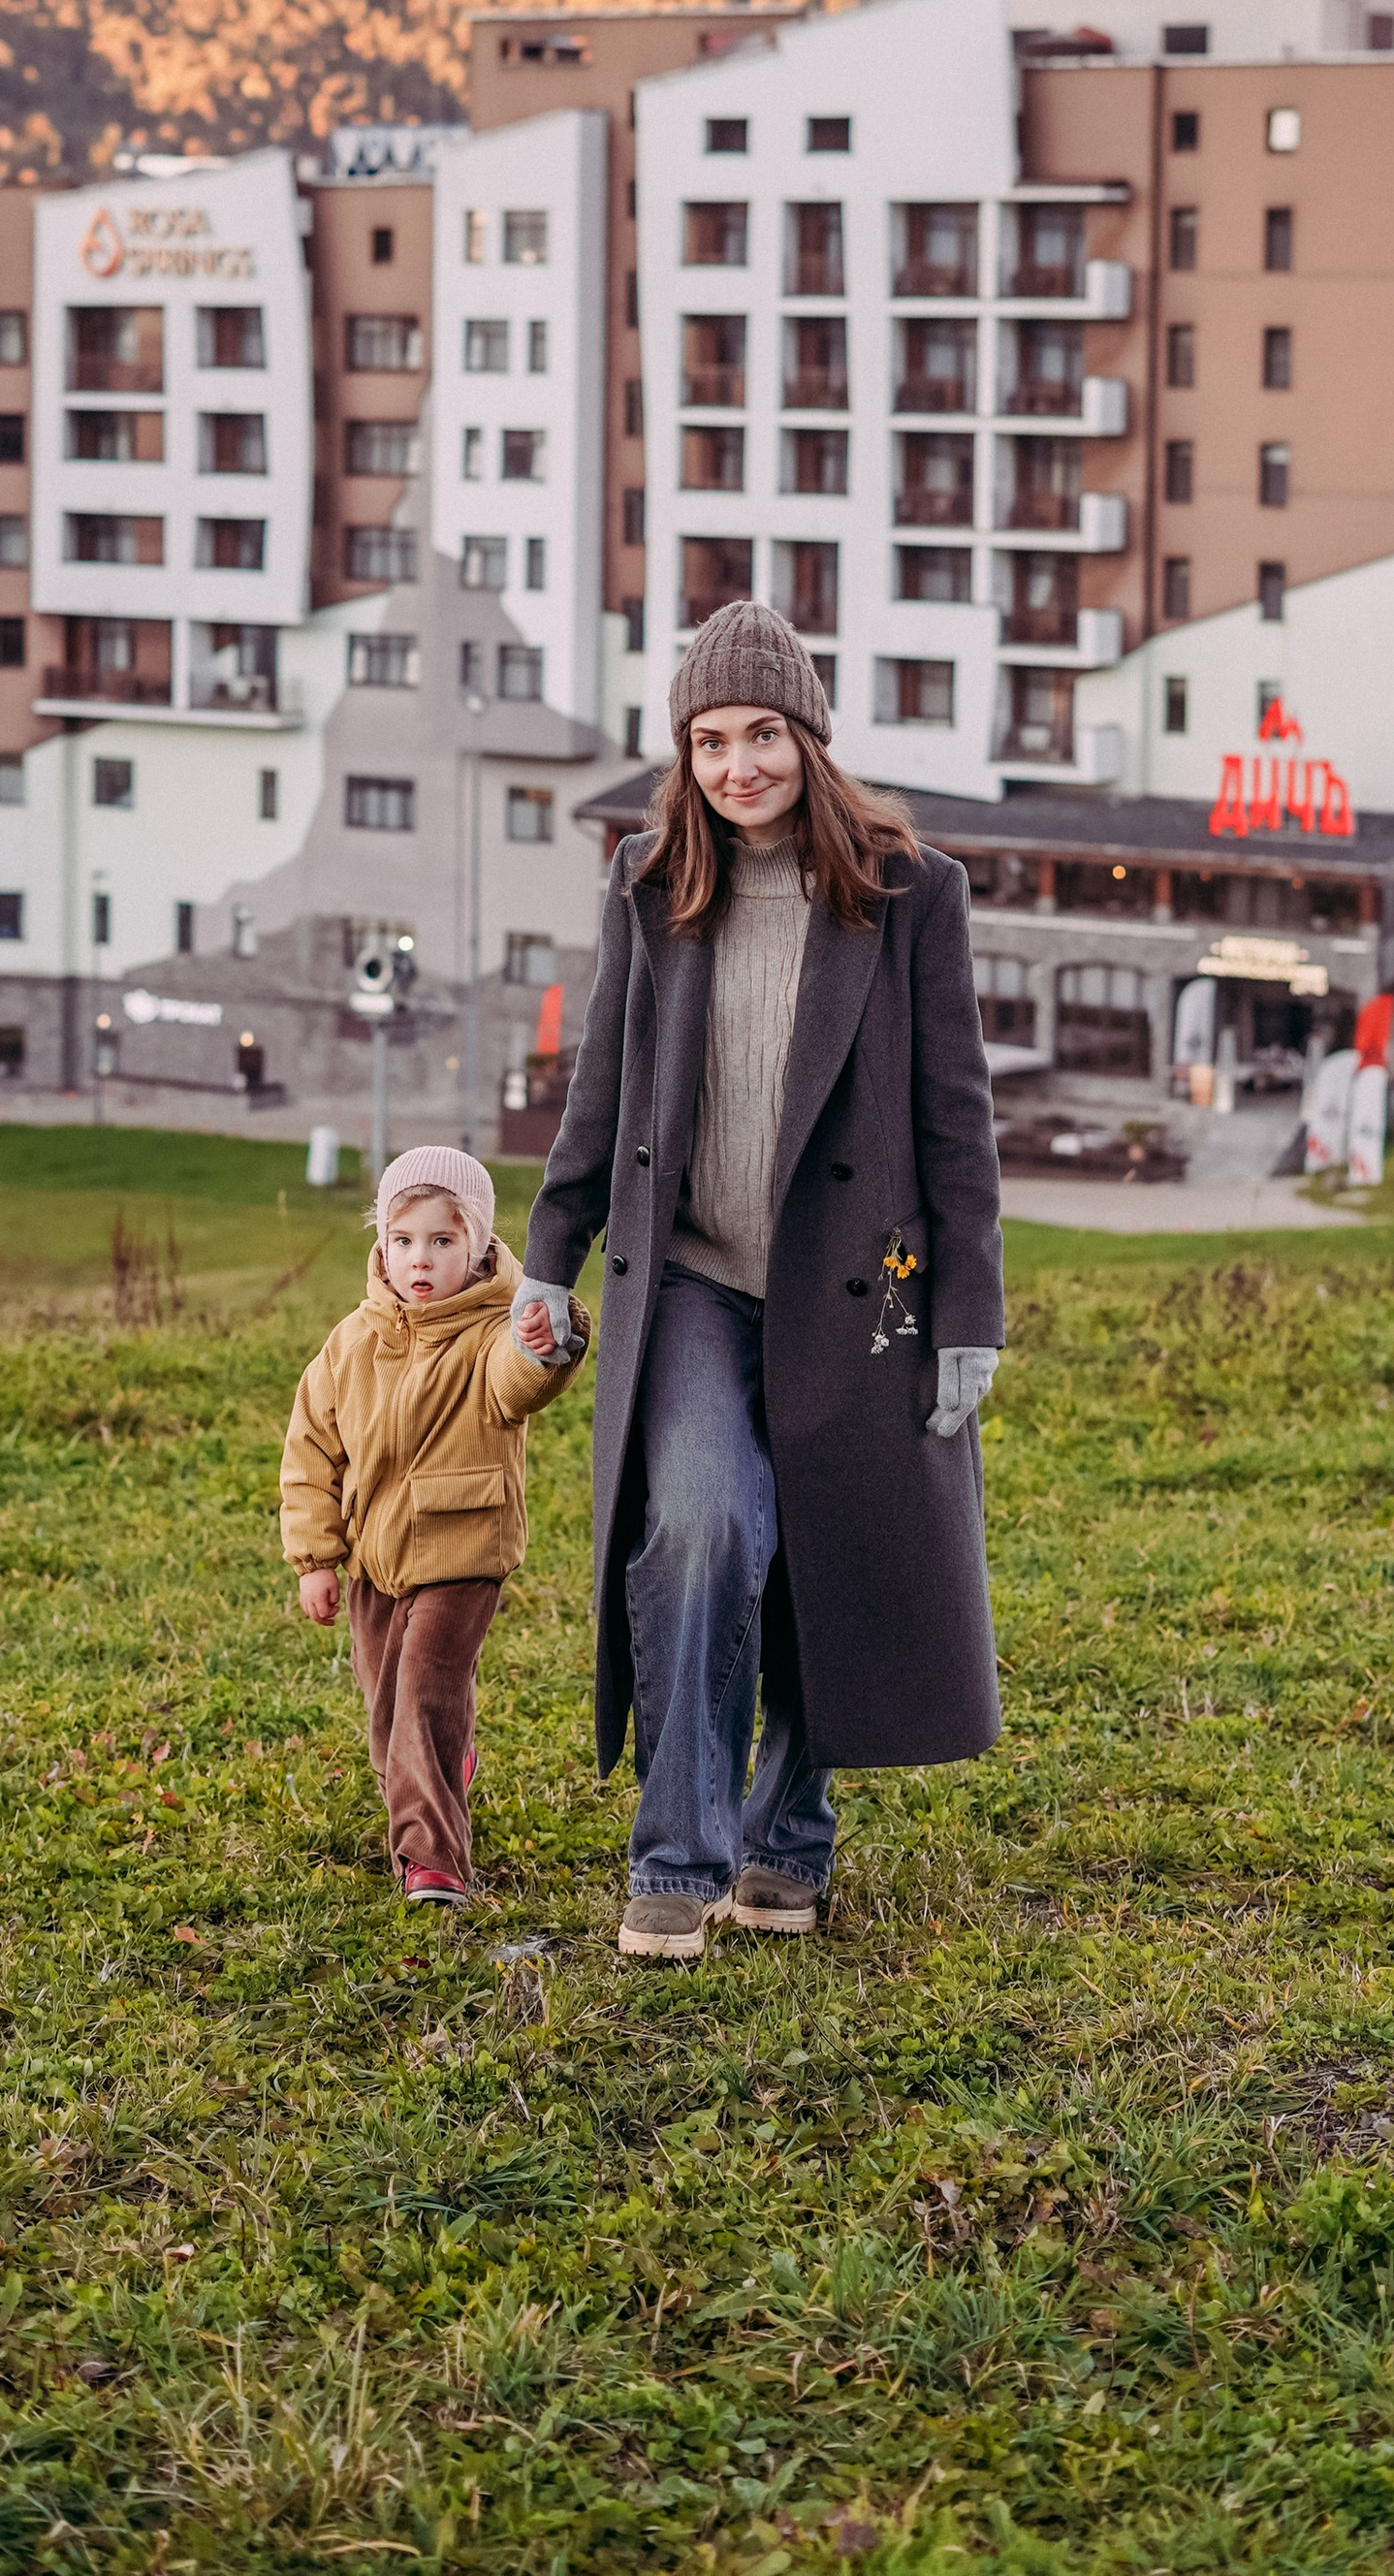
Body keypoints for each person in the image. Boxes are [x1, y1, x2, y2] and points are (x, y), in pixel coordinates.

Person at [516, 600, 1004, 1961]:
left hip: (858, 1290)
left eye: (764, 735)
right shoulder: (653, 880)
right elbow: (600, 1089)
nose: (740, 766)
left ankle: (788, 1845)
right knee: (703, 1528)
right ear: (688, 753)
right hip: (688, 1282)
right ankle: (677, 1857)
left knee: (824, 1554)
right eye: (713, 740)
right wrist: (548, 1259)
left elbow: (958, 1119)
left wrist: (969, 1313)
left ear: (810, 737)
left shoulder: (912, 893)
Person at [281, 1144, 589, 1905]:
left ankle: (434, 1863)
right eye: (405, 1240)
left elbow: (516, 1388)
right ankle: (443, 1763)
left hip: (462, 1551)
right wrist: (317, 1557)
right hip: (374, 1558)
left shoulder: (494, 1330)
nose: (421, 1259)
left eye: (444, 1241)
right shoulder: (353, 1342)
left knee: (420, 1694)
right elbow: (310, 1450)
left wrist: (543, 1345)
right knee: (389, 1717)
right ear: (381, 1243)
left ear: (480, 1246)